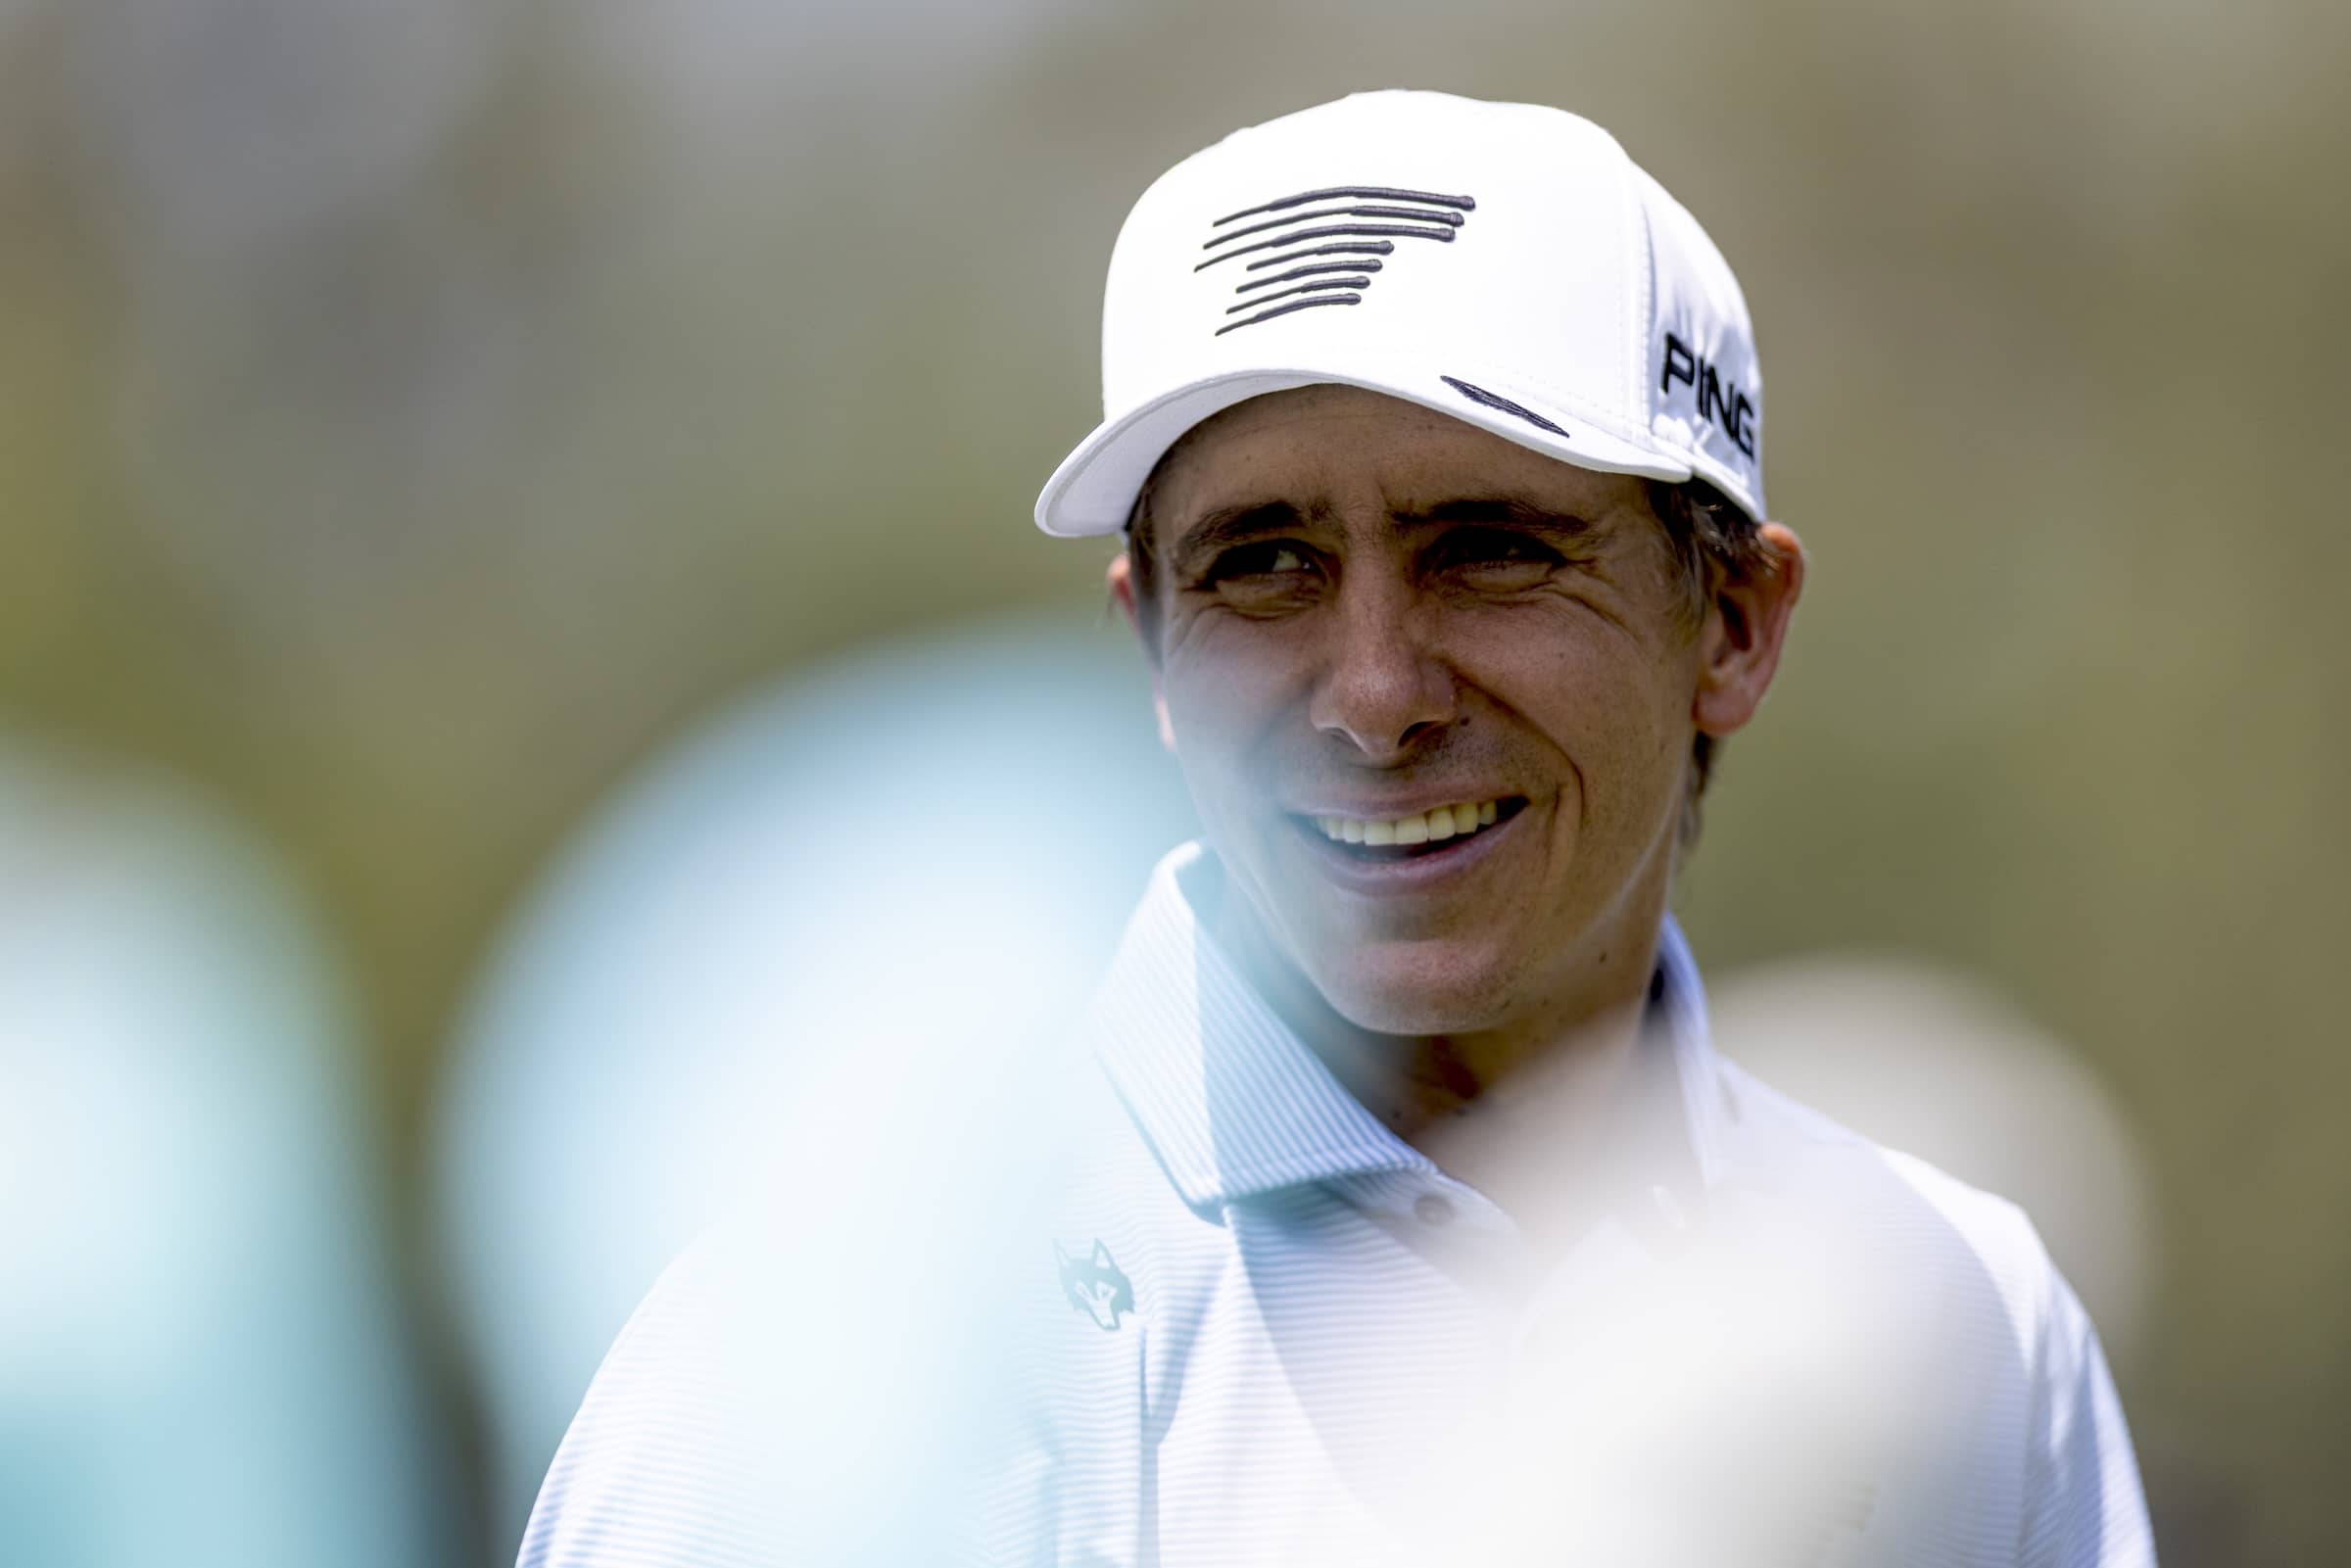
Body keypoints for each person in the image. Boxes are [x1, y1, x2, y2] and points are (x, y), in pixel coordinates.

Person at [519, 89, 2154, 1567]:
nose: (1374, 694)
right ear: (1154, 649)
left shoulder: (1962, 1320)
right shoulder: (826, 1363)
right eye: (1263, 564)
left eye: (1491, 546)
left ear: (1732, 619)